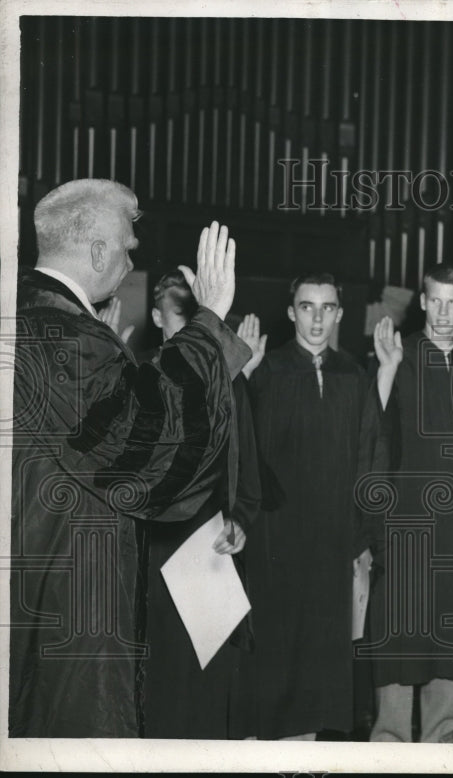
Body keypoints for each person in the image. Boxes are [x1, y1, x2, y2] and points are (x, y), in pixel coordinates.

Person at [10, 179, 250, 737]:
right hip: (71, 586)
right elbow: (150, 440)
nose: (131, 256)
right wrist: (211, 317)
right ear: (97, 252)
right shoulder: (62, 333)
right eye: (126, 246)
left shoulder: (30, 316)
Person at [364, 264, 453, 743]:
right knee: (400, 634)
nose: (444, 311)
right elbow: (373, 436)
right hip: (405, 523)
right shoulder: (399, 358)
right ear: (423, 301)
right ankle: (389, 747)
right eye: (436, 300)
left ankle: (440, 746)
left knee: (452, 639)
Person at [234, 272, 379, 740]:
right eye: (307, 306)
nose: (317, 318)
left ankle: (306, 748)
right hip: (276, 536)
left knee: (321, 654)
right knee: (275, 649)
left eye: (327, 308)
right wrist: (244, 377)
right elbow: (240, 446)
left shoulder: (354, 375)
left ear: (338, 313)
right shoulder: (268, 370)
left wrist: (360, 537)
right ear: (292, 311)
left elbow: (367, 457)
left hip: (332, 537)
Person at [138, 271, 259, 739]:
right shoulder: (141, 374)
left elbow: (245, 470)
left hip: (209, 549)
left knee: (210, 688)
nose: (193, 333)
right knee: (161, 688)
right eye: (182, 319)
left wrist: (241, 522)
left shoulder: (229, 378)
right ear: (155, 318)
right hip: (155, 550)